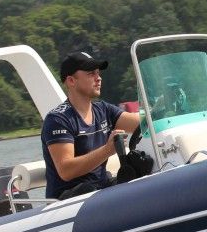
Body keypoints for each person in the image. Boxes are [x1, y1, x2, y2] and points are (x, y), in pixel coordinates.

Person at [41, 51, 142, 199]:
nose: (98, 78)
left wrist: (161, 112)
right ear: (71, 81)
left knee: (140, 171)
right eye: (91, 73)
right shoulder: (58, 119)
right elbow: (66, 170)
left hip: (99, 191)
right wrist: (107, 150)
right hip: (69, 200)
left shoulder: (103, 109)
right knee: (88, 189)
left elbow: (141, 123)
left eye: (98, 73)